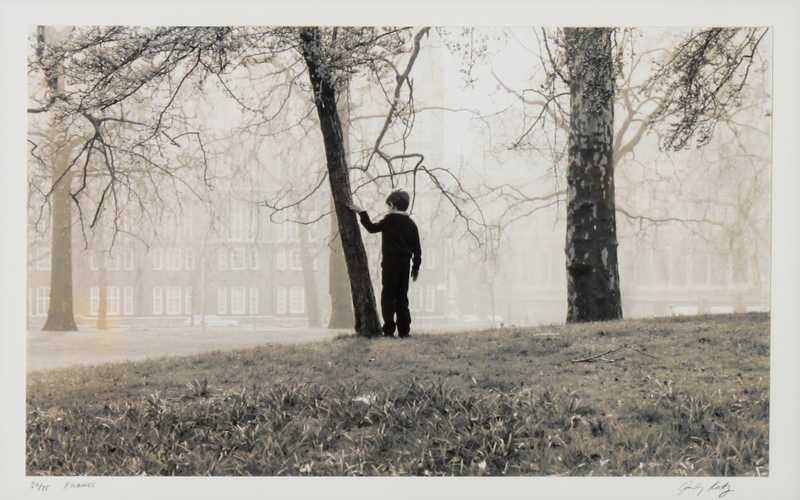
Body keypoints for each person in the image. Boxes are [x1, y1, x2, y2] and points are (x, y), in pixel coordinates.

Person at [350, 189, 422, 338]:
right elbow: (417, 249)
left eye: (388, 206)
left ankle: (389, 329)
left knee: (388, 296)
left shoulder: (389, 220)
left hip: (390, 264)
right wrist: (415, 268)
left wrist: (362, 213)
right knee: (402, 297)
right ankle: (404, 330)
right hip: (405, 266)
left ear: (392, 205)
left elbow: (371, 228)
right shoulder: (411, 224)